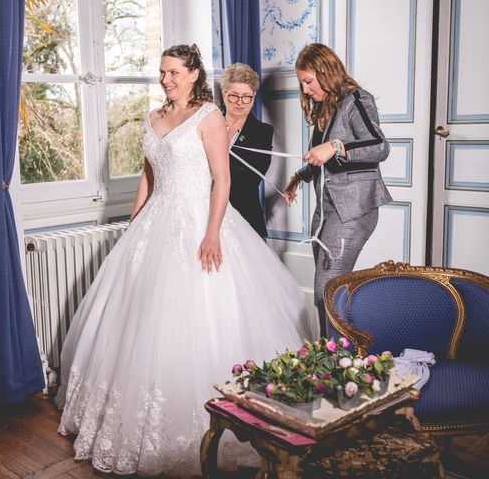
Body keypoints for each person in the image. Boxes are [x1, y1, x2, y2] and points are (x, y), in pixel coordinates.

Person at [55, 44, 312, 476]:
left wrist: (212, 233)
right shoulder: (153, 118)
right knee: (140, 322)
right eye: (162, 72)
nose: (166, 79)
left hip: (201, 220)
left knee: (206, 315)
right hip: (156, 221)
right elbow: (148, 175)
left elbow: (223, 178)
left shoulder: (208, 116)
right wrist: (134, 225)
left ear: (194, 75)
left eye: (174, 72)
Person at [283, 43, 392, 338]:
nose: (305, 90)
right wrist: (298, 177)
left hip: (354, 209)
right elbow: (320, 159)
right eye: (301, 83)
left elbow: (379, 146)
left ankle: (333, 359)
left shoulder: (357, 99)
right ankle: (337, 355)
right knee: (332, 288)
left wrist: (335, 146)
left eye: (308, 81)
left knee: (326, 288)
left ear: (326, 72)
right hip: (328, 209)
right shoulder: (324, 108)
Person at [221, 63, 273, 238]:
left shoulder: (263, 132)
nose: (240, 103)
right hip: (205, 211)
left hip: (244, 215)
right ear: (223, 94)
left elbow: (251, 179)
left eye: (246, 97)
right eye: (234, 96)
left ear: (254, 96)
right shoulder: (208, 125)